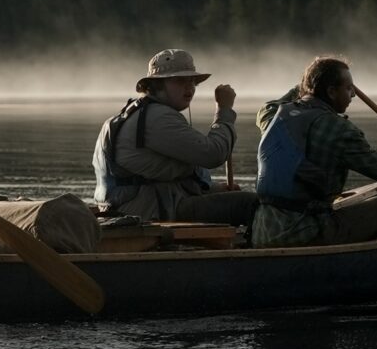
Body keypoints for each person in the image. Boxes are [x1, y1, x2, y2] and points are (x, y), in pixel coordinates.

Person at [251, 56, 377, 247]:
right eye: (348, 89)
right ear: (331, 92)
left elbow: (268, 107)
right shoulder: (339, 131)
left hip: (262, 231)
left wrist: (309, 83)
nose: (354, 95)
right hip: (304, 231)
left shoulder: (275, 117)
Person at [92, 48, 258, 226]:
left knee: (230, 196)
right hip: (148, 213)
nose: (189, 88)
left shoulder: (137, 112)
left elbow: (160, 177)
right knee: (251, 204)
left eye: (192, 81)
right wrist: (224, 111)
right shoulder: (158, 118)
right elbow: (214, 154)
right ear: (157, 85)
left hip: (137, 207)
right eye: (180, 80)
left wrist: (211, 189)